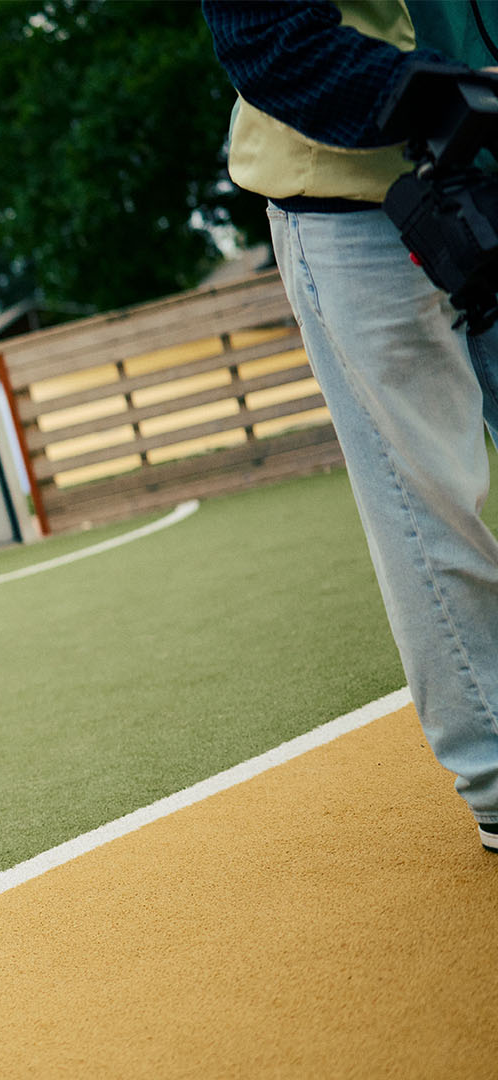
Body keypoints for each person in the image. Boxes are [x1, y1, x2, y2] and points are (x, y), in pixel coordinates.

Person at [203, 0, 498, 853]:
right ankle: (494, 774)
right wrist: (450, 94)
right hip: (358, 200)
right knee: (432, 500)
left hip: (488, 157)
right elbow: (265, 40)